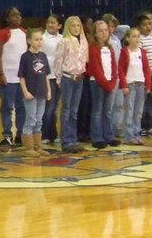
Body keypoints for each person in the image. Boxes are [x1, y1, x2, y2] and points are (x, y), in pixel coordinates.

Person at [53, 15, 88, 153]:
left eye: (78, 26)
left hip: (79, 78)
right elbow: (58, 61)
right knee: (66, 109)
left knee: (74, 110)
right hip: (68, 78)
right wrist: (59, 79)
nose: (76, 28)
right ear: (68, 27)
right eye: (73, 26)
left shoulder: (83, 42)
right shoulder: (64, 42)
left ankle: (74, 139)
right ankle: (66, 140)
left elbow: (84, 61)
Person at [0, 6, 27, 147]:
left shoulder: (25, 33)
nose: (18, 17)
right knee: (7, 106)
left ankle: (20, 133)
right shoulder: (3, 34)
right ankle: (7, 133)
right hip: (8, 76)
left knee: (22, 106)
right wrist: (1, 73)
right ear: (7, 18)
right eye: (14, 15)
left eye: (19, 14)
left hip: (22, 78)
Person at [17, 27, 51, 155]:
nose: (39, 42)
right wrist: (25, 91)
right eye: (36, 39)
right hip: (31, 93)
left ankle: (37, 146)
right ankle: (29, 147)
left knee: (39, 119)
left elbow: (46, 75)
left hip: (42, 92)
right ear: (29, 41)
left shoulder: (43, 56)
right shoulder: (25, 57)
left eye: (41, 39)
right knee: (31, 119)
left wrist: (48, 91)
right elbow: (22, 76)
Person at [86, 19, 119, 149]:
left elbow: (114, 65)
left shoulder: (110, 48)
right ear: (95, 34)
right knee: (97, 110)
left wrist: (113, 81)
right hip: (98, 83)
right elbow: (96, 69)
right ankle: (97, 137)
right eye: (101, 31)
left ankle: (109, 135)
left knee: (107, 110)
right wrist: (106, 83)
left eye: (106, 30)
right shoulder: (93, 48)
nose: (104, 33)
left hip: (109, 82)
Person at [118, 26, 151, 146]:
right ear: (128, 38)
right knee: (130, 111)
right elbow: (120, 70)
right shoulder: (125, 52)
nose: (137, 39)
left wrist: (148, 85)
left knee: (139, 111)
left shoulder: (142, 52)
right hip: (130, 84)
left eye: (138, 36)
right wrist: (124, 85)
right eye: (134, 36)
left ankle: (137, 134)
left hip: (140, 84)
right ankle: (129, 135)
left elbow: (146, 69)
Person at [135, 13, 152, 136]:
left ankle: (151, 123)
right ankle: (142, 124)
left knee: (151, 98)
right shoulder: (139, 39)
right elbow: (140, 57)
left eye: (150, 24)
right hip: (144, 75)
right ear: (139, 27)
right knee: (143, 100)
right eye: (144, 25)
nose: (148, 27)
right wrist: (146, 71)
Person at [40, 14, 62, 144]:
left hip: (59, 76)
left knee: (55, 107)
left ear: (59, 25)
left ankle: (53, 134)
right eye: (49, 22)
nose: (50, 25)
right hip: (48, 76)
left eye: (53, 22)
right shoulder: (43, 38)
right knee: (49, 106)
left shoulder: (62, 38)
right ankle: (44, 134)